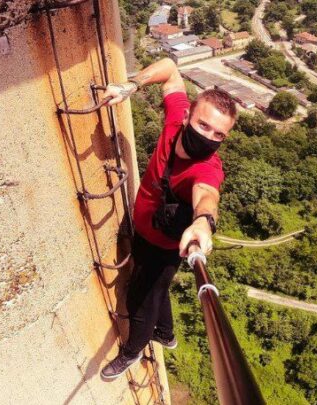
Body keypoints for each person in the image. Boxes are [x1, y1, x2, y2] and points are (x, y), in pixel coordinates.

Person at [99, 58, 237, 379]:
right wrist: (130, 86)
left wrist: (204, 222)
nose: (208, 137)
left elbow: (207, 194)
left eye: (218, 134)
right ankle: (167, 334)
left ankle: (132, 352)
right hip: (145, 232)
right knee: (158, 290)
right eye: (204, 125)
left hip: (166, 247)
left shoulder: (207, 168)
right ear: (189, 115)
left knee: (140, 300)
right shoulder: (176, 120)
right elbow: (171, 69)